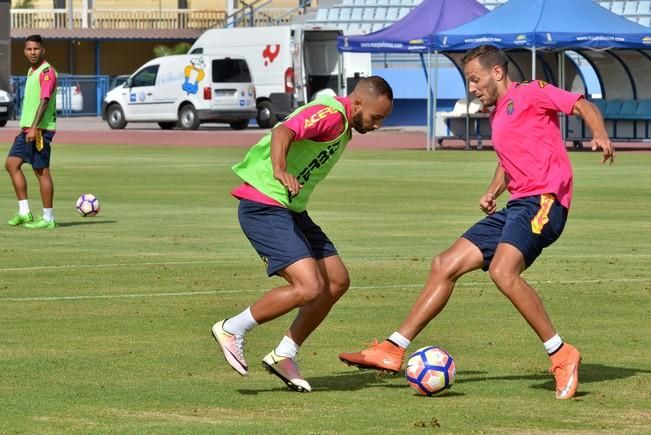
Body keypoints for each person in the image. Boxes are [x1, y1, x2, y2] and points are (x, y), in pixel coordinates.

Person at [339, 45, 615, 400]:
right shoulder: (499, 113)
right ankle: (393, 349)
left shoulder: (531, 92)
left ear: (497, 72)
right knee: (445, 264)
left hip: (545, 200)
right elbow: (510, 158)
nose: (471, 87)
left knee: (503, 271)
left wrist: (600, 134)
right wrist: (492, 191)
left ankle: (561, 353)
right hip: (518, 205)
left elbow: (581, 104)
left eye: (474, 78)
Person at [212, 77, 394, 392]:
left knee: (336, 281)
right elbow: (283, 131)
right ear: (358, 102)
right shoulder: (331, 113)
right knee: (308, 287)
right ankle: (232, 329)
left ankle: (284, 354)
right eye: (376, 117)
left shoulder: (345, 125)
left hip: (291, 210)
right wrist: (280, 168)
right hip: (264, 205)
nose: (377, 125)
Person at [5, 34, 58, 229]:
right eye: (29, 49)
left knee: (41, 171)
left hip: (39, 131)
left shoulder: (47, 72)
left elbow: (44, 101)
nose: (32, 52)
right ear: (25, 51)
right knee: (11, 164)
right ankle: (25, 213)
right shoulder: (31, 71)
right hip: (27, 129)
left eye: (36, 49)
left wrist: (34, 127)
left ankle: (48, 218)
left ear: (43, 50)